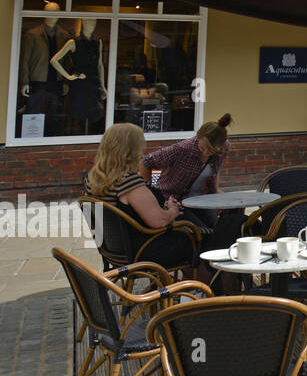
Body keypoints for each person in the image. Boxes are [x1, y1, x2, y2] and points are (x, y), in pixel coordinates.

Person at [84, 123, 193, 271]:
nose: (143, 152)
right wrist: (173, 210)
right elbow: (159, 222)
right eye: (141, 147)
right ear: (131, 151)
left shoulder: (93, 179)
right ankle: (202, 289)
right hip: (143, 250)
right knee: (200, 239)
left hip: (114, 250)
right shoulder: (129, 183)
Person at [144, 113, 234, 228]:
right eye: (203, 148)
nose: (205, 153)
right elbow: (146, 162)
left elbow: (215, 170)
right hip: (174, 201)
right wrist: (150, 193)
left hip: (200, 200)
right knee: (200, 231)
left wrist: (215, 190)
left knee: (218, 228)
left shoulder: (224, 148)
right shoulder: (182, 149)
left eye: (211, 151)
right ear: (198, 137)